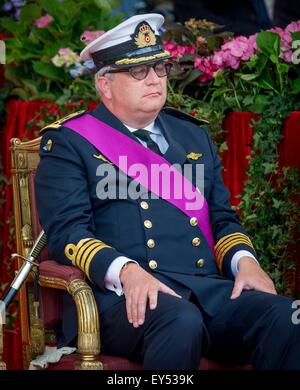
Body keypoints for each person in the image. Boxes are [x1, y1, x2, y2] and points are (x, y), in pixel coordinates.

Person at [35, 13, 300, 370]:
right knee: (180, 321)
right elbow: (69, 232)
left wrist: (246, 262)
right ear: (105, 84)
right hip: (120, 297)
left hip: (205, 289)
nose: (155, 80)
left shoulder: (194, 136)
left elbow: (222, 218)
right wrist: (127, 272)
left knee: (287, 317)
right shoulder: (70, 142)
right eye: (139, 71)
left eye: (159, 68)